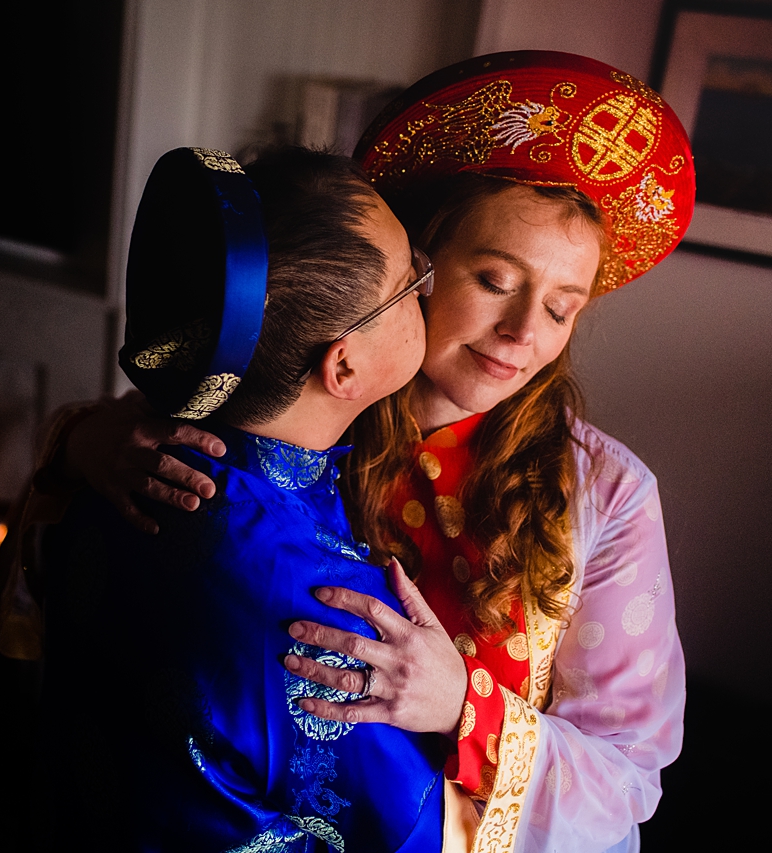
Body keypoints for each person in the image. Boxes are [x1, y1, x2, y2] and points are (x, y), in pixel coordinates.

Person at [56, 52, 691, 853]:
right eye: (495, 280)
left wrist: (465, 704)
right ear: (420, 267)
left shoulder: (607, 493)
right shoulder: (304, 396)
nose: (525, 334)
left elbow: (629, 781)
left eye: (563, 309)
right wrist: (92, 437)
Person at [38, 146, 447, 851]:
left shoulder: (126, 457)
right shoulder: (328, 612)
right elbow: (416, 829)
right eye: (411, 281)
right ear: (342, 363)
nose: (427, 291)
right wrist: (466, 703)